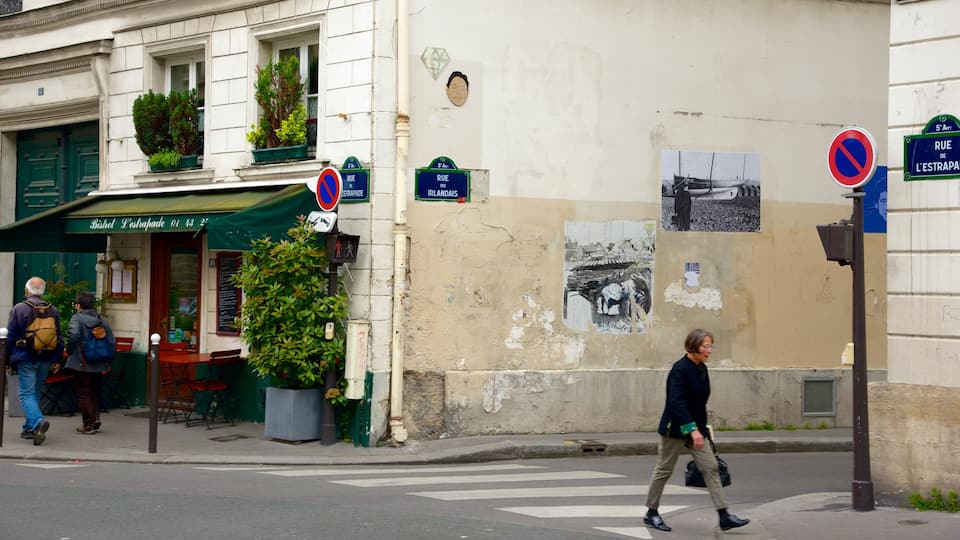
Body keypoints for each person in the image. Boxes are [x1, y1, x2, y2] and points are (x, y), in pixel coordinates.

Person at [643, 329, 750, 533]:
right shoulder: (680, 369)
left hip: (697, 430)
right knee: (663, 470)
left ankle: (724, 515)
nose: (709, 350)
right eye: (705, 346)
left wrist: (703, 429)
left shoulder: (702, 368)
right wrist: (692, 430)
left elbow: (699, 404)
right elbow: (677, 403)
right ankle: (651, 512)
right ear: (693, 346)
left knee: (711, 467)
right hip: (674, 429)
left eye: (710, 345)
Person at [5, 276, 63, 446]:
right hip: (46, 357)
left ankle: (38, 421)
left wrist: (6, 358)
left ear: (27, 290)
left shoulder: (19, 309)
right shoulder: (53, 310)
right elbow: (59, 337)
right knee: (35, 391)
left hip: (26, 356)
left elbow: (10, 337)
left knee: (25, 393)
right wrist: (57, 359)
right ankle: (29, 428)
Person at [64, 291, 116, 434]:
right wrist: (108, 361)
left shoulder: (77, 318)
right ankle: (95, 418)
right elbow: (112, 341)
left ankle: (88, 425)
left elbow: (73, 335)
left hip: (82, 362)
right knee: (94, 391)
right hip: (100, 361)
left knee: (84, 393)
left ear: (79, 305)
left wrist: (68, 350)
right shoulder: (101, 319)